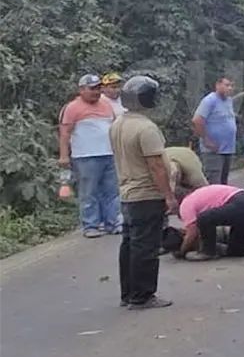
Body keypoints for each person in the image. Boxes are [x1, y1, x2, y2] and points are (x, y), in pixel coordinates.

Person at [110, 75, 177, 310]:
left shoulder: (118, 124)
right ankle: (143, 296)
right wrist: (168, 195)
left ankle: (128, 293)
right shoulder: (146, 128)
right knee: (146, 247)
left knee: (129, 244)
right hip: (146, 194)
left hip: (128, 193)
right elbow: (156, 166)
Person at [59, 74, 121, 237]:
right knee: (89, 192)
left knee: (112, 191)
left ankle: (112, 222)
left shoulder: (106, 105)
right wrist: (64, 156)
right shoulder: (72, 107)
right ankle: (90, 225)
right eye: (92, 88)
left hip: (108, 154)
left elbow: (114, 127)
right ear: (82, 90)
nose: (96, 92)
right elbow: (65, 133)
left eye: (98, 88)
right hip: (86, 156)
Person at [170, 184, 244, 260]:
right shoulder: (196, 196)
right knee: (236, 249)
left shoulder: (186, 203)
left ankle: (208, 252)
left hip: (241, 204)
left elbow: (193, 231)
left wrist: (181, 251)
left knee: (204, 218)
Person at [191, 75, 237, 185]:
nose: (230, 88)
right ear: (218, 85)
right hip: (214, 150)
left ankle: (222, 202)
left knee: (223, 183)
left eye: (232, 86)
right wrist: (206, 140)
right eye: (227, 85)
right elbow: (197, 120)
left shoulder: (228, 101)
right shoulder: (209, 101)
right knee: (214, 182)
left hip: (228, 149)